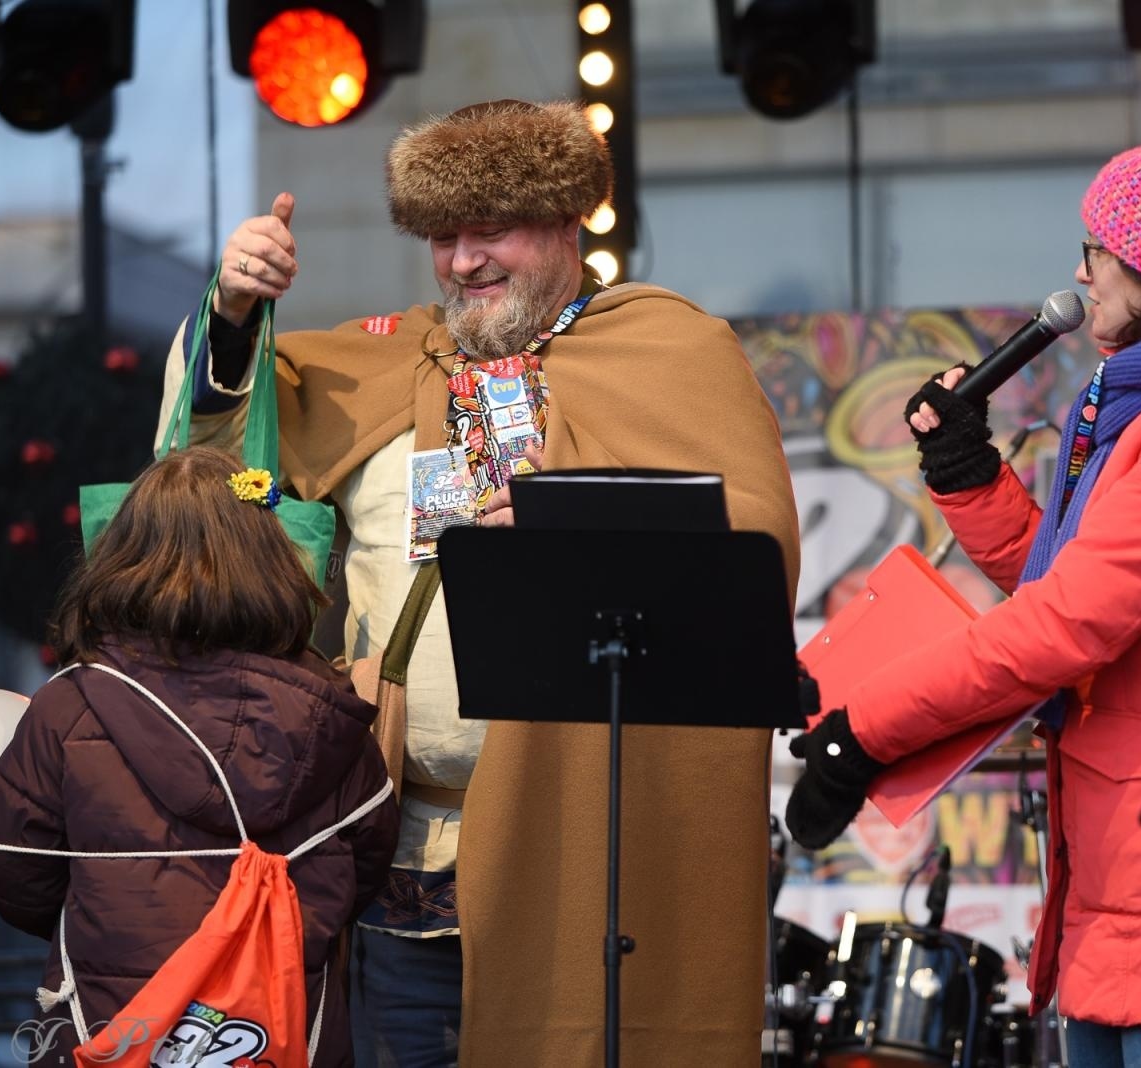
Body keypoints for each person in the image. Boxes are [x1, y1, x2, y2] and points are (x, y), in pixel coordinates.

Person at [168, 99, 801, 1067]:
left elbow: (753, 553)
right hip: (399, 879)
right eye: (443, 236)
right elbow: (210, 456)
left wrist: (582, 527)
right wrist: (236, 307)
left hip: (593, 867)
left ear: (564, 222)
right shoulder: (386, 359)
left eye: (490, 229)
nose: (464, 260)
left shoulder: (670, 350)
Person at [785, 136, 1141, 1066]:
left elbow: (1065, 624)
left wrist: (866, 731)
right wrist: (970, 475)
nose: (1079, 272)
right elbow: (1073, 586)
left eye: (1096, 252)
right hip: (1136, 864)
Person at [0, 444, 398, 1067]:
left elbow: (10, 865)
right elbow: (365, 867)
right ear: (271, 557)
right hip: (281, 1033)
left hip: (112, 1031)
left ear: (123, 556)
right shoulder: (333, 714)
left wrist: (108, 910)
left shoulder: (69, 706)